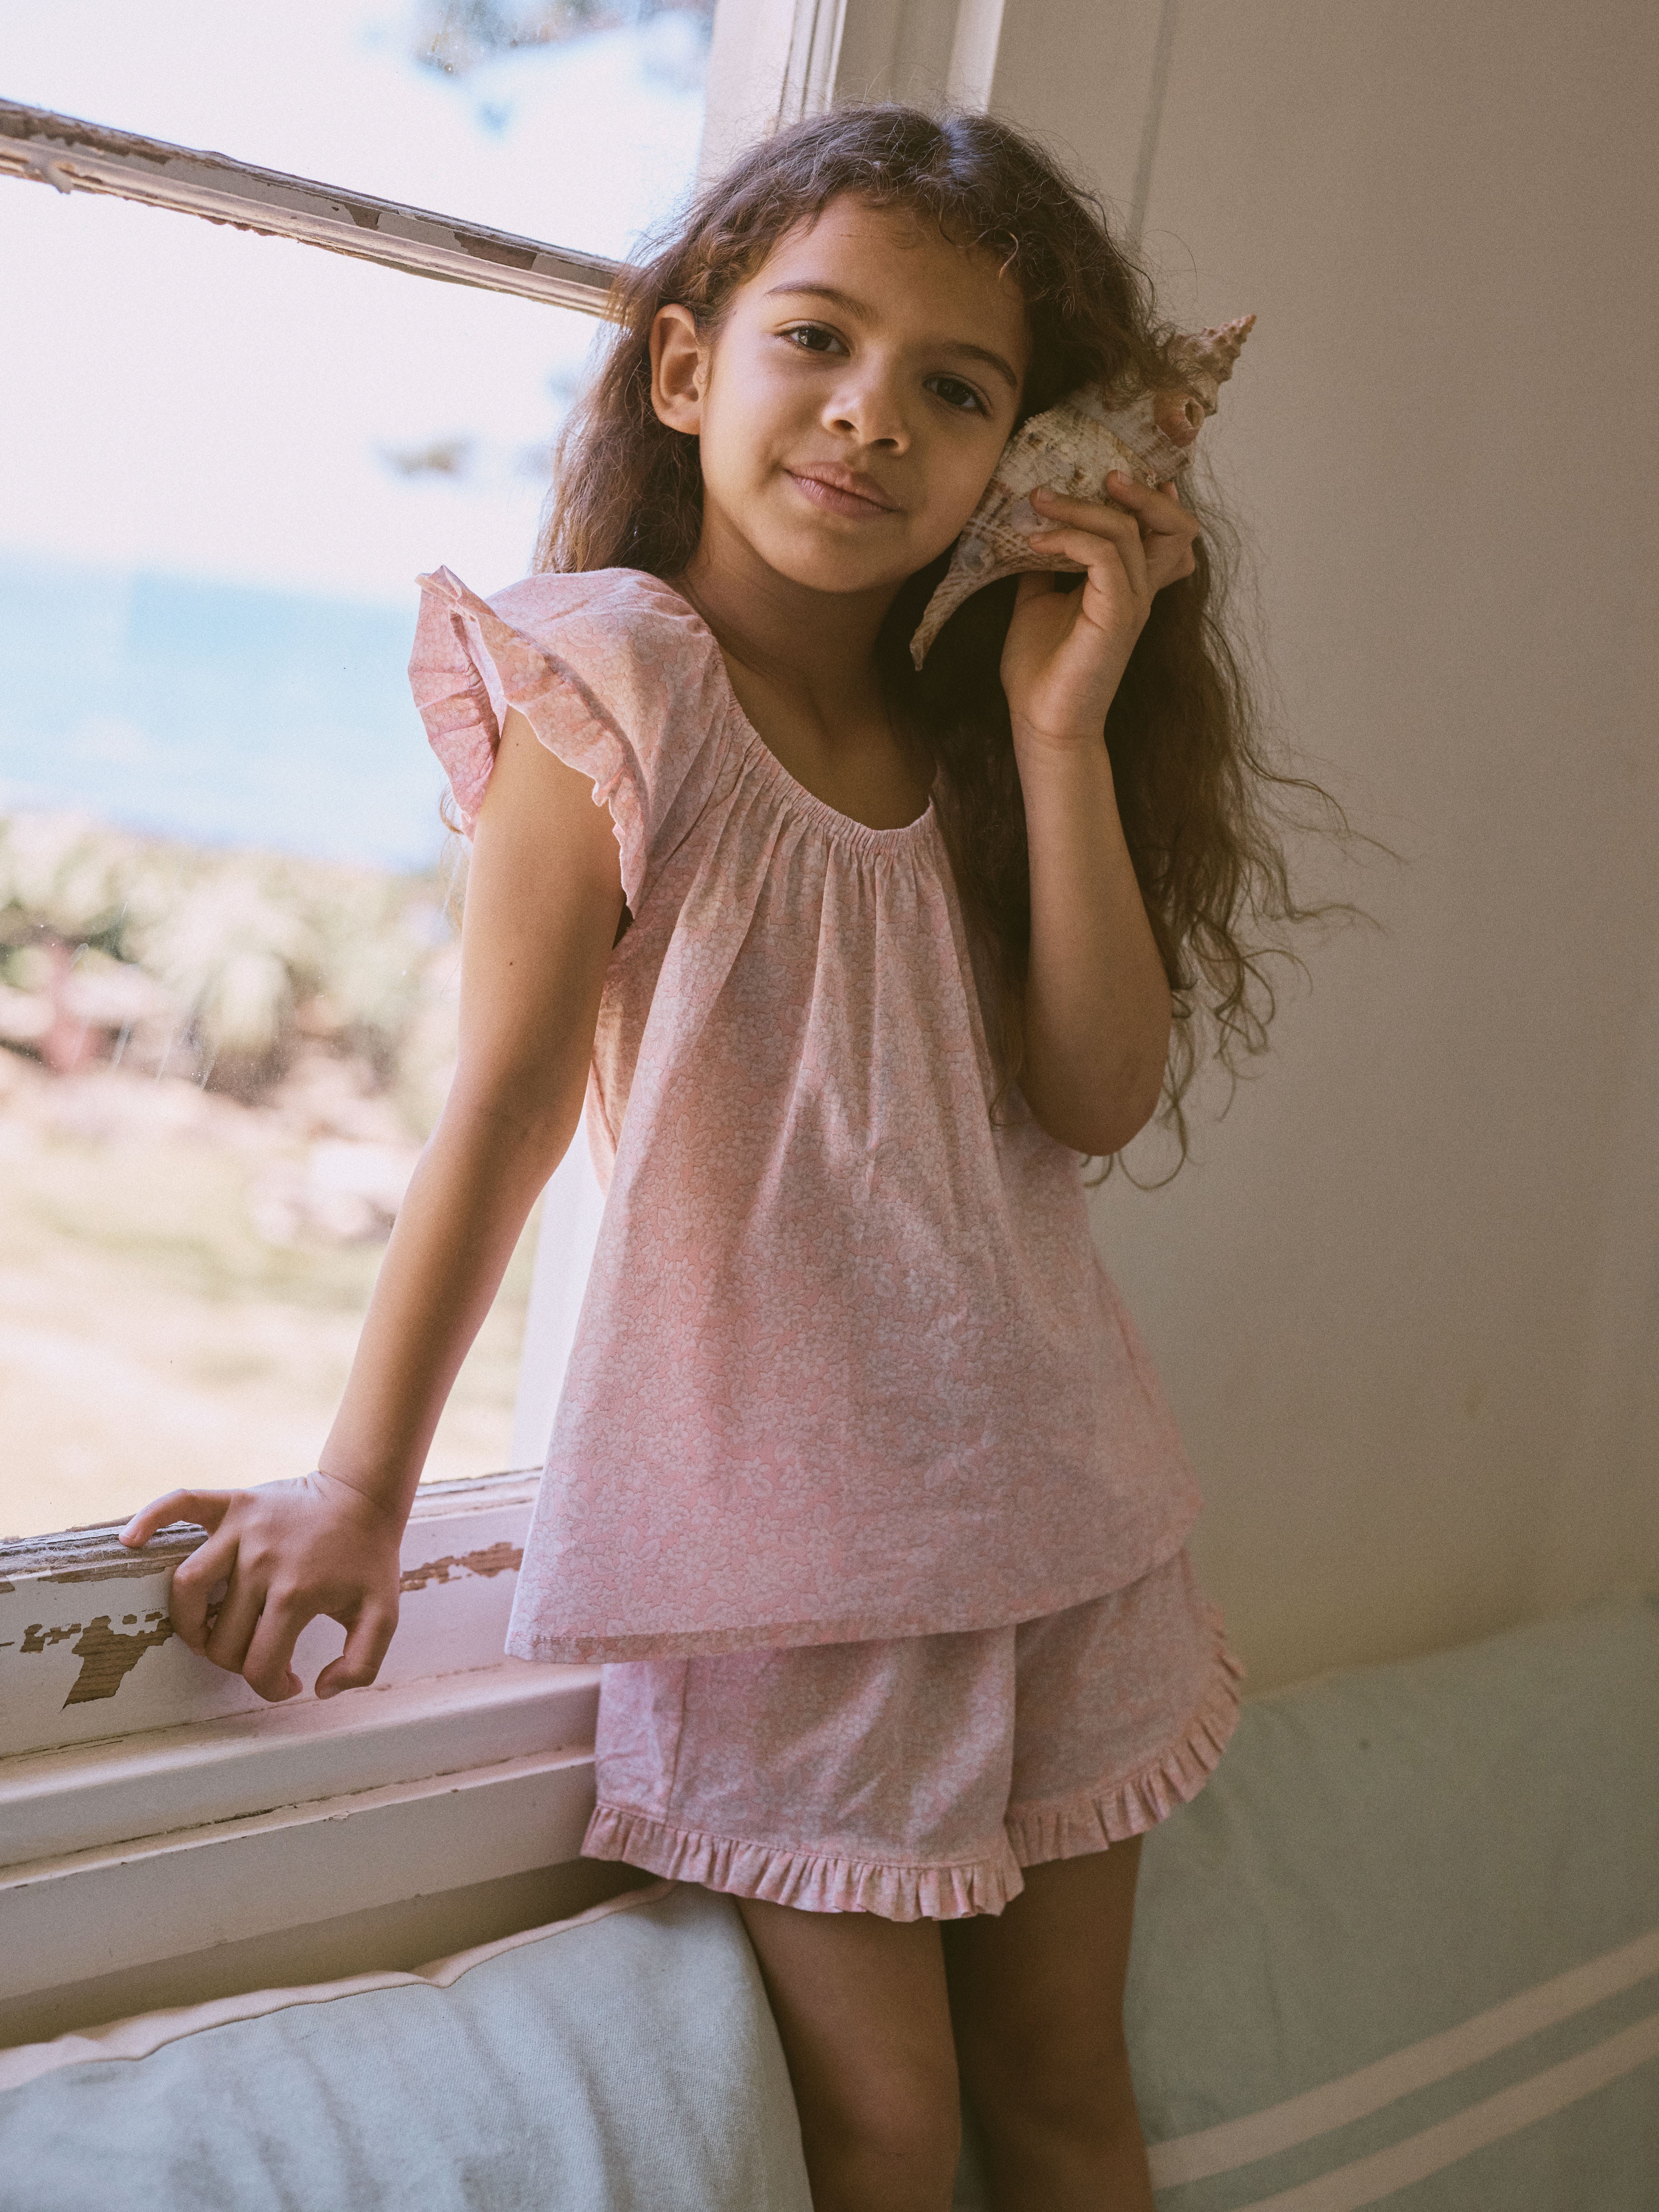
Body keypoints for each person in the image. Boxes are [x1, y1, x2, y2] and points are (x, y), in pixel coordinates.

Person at [120, 104, 1324, 2212]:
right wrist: (366, 1482)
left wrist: (1060, 730)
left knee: (1066, 2107)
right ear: (689, 368)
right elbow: (498, 1106)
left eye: (954, 391)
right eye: (818, 344)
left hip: (1074, 1521)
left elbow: (1098, 1094)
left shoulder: (978, 732)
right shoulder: (613, 685)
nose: (871, 419)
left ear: (1015, 458)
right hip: (799, 1572)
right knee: (889, 2131)